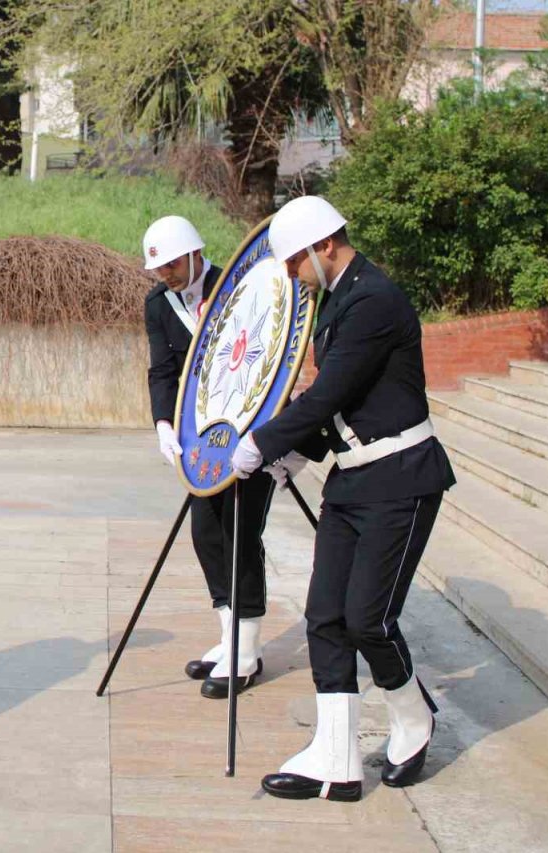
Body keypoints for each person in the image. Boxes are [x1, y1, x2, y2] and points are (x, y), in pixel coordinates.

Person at [229, 196, 455, 802]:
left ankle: (414, 716)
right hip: (354, 481)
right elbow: (349, 405)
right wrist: (297, 456)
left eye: (295, 261)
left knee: (369, 620)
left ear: (325, 245)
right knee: (325, 616)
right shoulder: (340, 301)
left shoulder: (374, 300)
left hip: (402, 479)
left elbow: (329, 392)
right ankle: (336, 758)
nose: (291, 274)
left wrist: (263, 442)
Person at [142, 215, 276, 699]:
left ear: (196, 253)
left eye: (173, 264)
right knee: (205, 534)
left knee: (239, 533)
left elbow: (267, 354)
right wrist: (163, 424)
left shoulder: (236, 288)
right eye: (159, 269)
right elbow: (163, 370)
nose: (167, 275)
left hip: (250, 435)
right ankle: (229, 634)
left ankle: (248, 649)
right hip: (202, 443)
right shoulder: (159, 305)